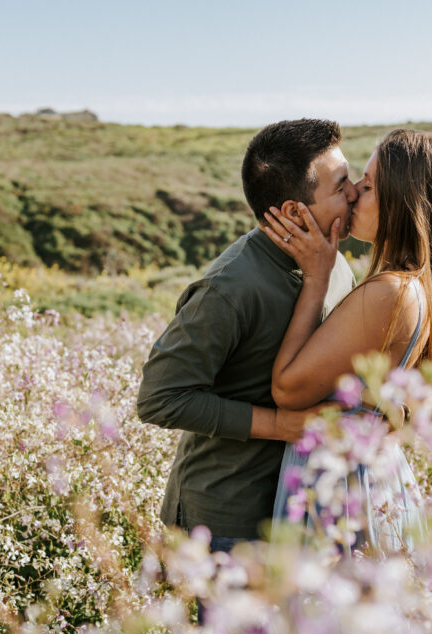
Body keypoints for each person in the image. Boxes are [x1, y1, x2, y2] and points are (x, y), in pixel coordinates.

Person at [136, 119, 358, 554]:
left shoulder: (335, 265)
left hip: (298, 511)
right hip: (225, 521)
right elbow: (159, 398)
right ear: (295, 212)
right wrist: (281, 425)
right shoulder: (231, 287)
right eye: (341, 185)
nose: (355, 192)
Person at [262, 128, 432, 553]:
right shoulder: (417, 287)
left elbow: (287, 388)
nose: (354, 192)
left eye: (369, 185)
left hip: (345, 493)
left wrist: (317, 277)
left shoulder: (389, 293)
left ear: (403, 201)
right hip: (372, 481)